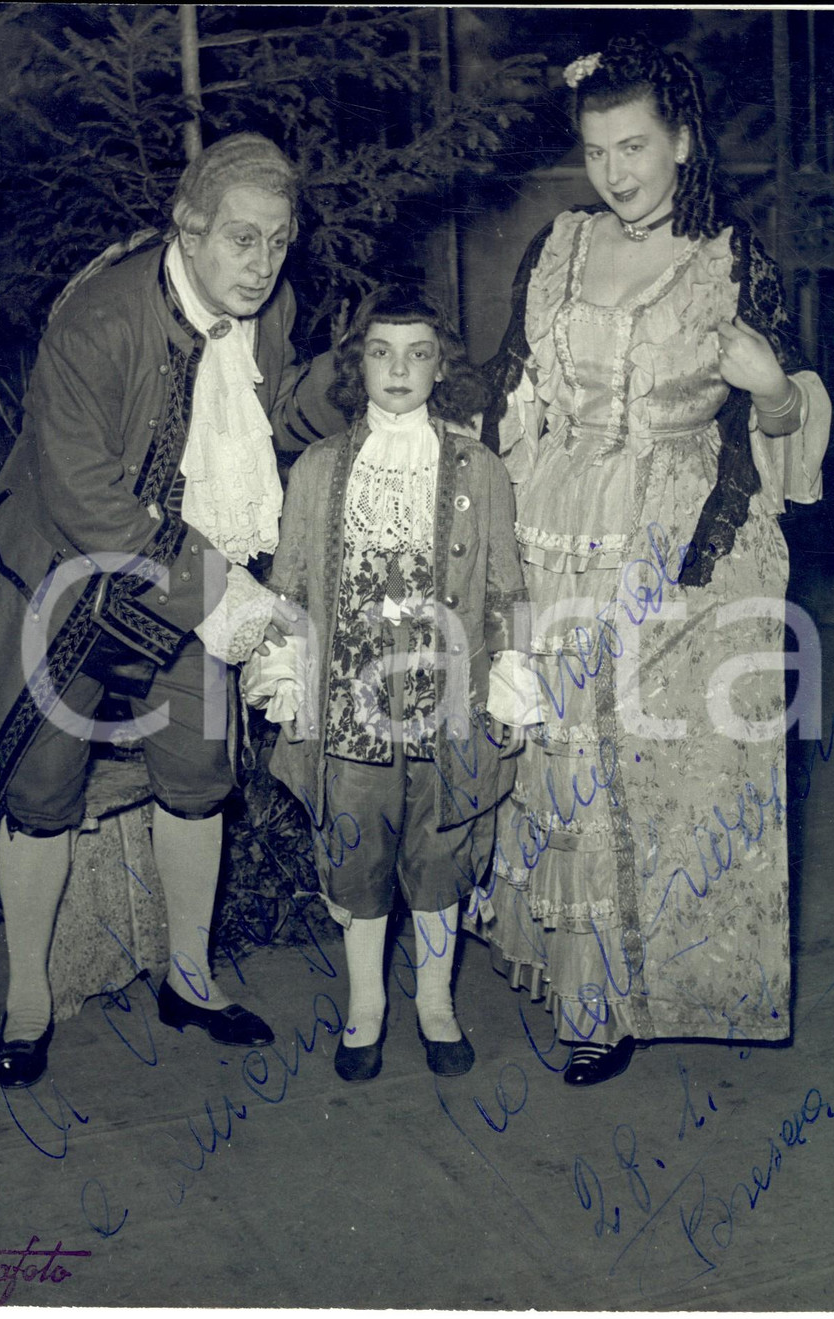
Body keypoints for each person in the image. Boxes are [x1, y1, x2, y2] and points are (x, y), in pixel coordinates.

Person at [0, 132, 345, 1088]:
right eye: (240, 240)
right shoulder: (100, 320)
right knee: (43, 788)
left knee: (197, 771)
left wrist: (340, 390)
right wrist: (210, 587)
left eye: (277, 242)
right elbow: (83, 489)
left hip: (182, 571)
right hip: (64, 577)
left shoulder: (271, 307)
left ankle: (188, 978)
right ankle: (28, 995)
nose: (261, 265)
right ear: (187, 230)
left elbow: (263, 425)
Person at [476, 36, 832, 1086]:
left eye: (634, 147)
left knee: (627, 756)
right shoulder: (562, 244)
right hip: (551, 516)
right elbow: (511, 381)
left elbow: (791, 409)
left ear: (681, 141)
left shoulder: (729, 260)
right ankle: (573, 977)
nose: (615, 172)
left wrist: (767, 389)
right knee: (550, 747)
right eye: (595, 152)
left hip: (664, 534)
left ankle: (621, 998)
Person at [242, 285, 531, 1082]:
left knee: (440, 853)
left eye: (417, 354)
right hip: (350, 707)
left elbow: (506, 587)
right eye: (380, 352)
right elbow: (291, 585)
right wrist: (285, 670)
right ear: (356, 363)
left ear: (442, 367)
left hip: (447, 703)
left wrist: (509, 671)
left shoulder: (479, 468)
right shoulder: (320, 469)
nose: (398, 370)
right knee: (356, 850)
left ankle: (435, 1000)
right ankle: (366, 1000)